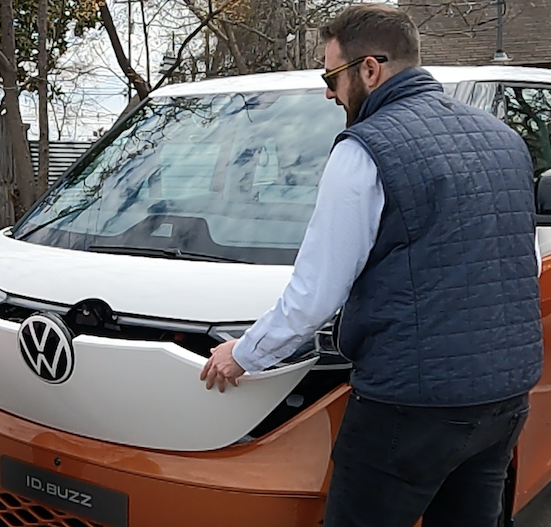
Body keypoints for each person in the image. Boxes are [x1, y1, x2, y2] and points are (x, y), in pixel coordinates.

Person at [200, 5, 542, 526]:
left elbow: (317, 291)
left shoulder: (367, 149)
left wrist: (244, 354)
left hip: (410, 408)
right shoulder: (504, 139)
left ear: (369, 69)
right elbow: (508, 258)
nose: (327, 92)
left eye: (330, 75)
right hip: (504, 397)